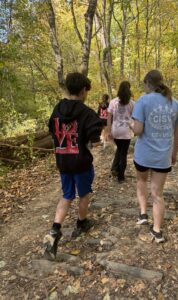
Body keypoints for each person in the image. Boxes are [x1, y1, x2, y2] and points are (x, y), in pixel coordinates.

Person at [43, 72, 102, 259]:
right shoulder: (87, 113)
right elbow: (96, 141)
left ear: (68, 88)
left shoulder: (56, 110)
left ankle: (54, 230)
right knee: (84, 194)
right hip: (81, 163)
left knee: (67, 195)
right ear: (84, 90)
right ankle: (82, 222)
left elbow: (52, 132)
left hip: (63, 162)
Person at [132, 69, 178, 243]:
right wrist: (174, 154)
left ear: (148, 84)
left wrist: (131, 126)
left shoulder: (142, 100)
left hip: (143, 155)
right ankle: (157, 231)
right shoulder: (174, 103)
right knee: (158, 194)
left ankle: (143, 214)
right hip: (162, 156)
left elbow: (138, 130)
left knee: (141, 181)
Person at [107, 81, 134, 183]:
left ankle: (115, 169)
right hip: (126, 131)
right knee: (123, 153)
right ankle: (121, 177)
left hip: (116, 131)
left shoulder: (113, 102)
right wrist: (134, 129)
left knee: (119, 149)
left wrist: (109, 131)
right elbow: (134, 118)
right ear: (129, 90)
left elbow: (109, 118)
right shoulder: (132, 103)